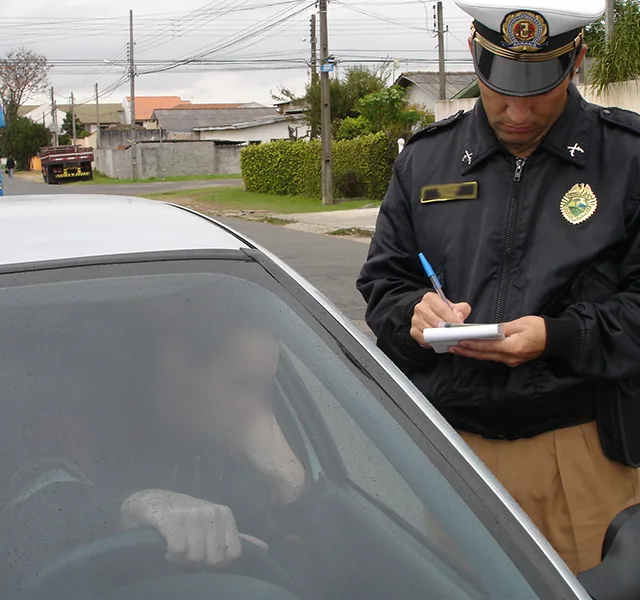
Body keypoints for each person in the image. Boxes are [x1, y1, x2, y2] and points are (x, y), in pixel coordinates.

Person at [357, 0, 640, 575]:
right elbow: (384, 282)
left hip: (578, 448)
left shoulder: (629, 157)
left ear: (577, 60)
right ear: (473, 56)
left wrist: (560, 336)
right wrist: (414, 313)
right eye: (498, 88)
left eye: (537, 91)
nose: (515, 111)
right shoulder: (425, 160)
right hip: (452, 454)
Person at [0, 310, 306, 592]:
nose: (256, 410)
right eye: (240, 385)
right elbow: (33, 510)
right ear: (175, 367)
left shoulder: (247, 454)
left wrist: (294, 490)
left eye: (264, 387)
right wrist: (132, 506)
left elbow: (310, 581)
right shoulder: (81, 427)